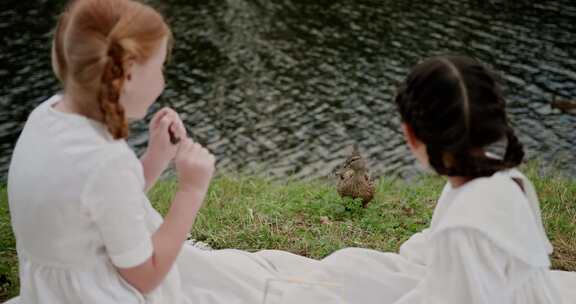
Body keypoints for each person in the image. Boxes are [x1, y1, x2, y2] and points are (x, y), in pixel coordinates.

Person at [6, 0, 575, 302]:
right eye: (161, 67)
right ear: (127, 74)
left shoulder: (47, 118)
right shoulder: (507, 190)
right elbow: (145, 277)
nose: (165, 77)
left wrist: (150, 163)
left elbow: (96, 210)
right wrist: (190, 190)